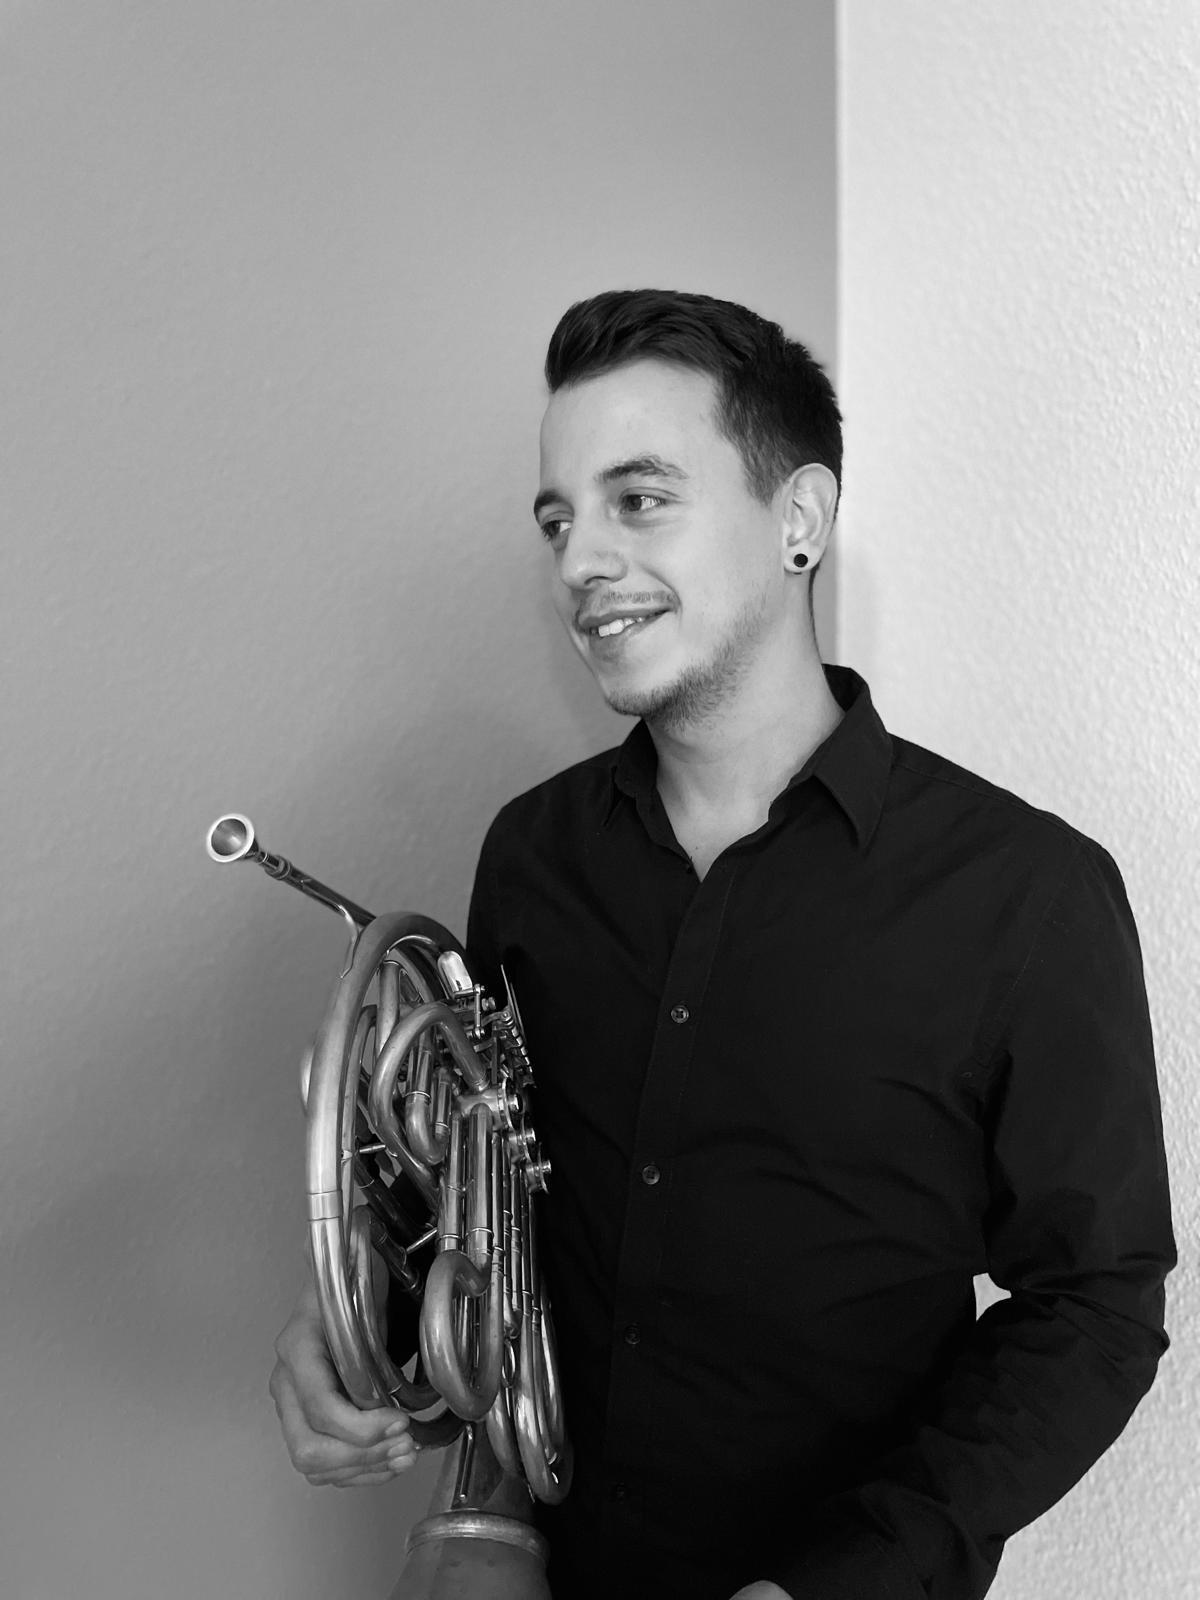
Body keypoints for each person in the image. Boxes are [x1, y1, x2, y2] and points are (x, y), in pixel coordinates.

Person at [269, 289, 1176, 1600]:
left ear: (799, 521)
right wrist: (361, 1324)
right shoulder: (532, 855)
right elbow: (490, 1203)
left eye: (639, 500)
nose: (581, 561)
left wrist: (837, 1585)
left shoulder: (1027, 893)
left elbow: (1096, 1307)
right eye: (558, 520)